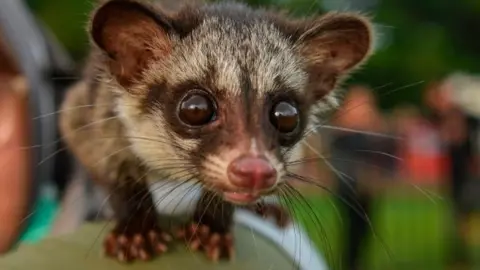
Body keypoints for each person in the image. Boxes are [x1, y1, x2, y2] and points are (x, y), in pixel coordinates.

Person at [329, 85, 397, 270]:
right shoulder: (343, 128)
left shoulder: (372, 128)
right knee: (353, 228)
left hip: (367, 186)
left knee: (365, 227)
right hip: (349, 186)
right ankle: (350, 263)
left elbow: (386, 144)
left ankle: (356, 262)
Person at [424, 78, 478, 267]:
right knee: (460, 219)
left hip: (468, 178)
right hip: (456, 177)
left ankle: (462, 256)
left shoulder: (462, 116)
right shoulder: (442, 118)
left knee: (465, 218)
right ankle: (461, 255)